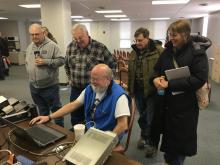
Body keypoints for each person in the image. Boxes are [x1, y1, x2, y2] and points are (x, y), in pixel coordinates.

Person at [152, 19, 211, 165]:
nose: (171, 39)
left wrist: (170, 84)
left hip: (185, 107)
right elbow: (156, 70)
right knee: (168, 141)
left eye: (174, 36)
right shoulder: (168, 51)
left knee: (180, 145)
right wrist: (154, 79)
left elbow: (199, 79)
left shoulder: (197, 53)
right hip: (167, 105)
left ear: (185, 35)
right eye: (170, 35)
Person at [30, 64, 130, 138]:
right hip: (90, 129)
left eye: (96, 79)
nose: (92, 82)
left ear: (108, 80)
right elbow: (73, 105)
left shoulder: (119, 96)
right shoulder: (91, 88)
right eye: (91, 79)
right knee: (63, 139)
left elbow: (123, 125)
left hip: (105, 134)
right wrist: (49, 117)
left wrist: (108, 141)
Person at [65, 23, 116, 127]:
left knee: (94, 117)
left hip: (94, 91)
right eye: (75, 38)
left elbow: (112, 66)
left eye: (80, 38)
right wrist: (70, 78)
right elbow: (66, 65)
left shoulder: (100, 47)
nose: (78, 41)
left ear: (87, 34)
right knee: (75, 117)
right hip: (76, 89)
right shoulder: (70, 47)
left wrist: (107, 82)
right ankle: (78, 138)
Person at [128, 27, 163, 157]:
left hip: (152, 91)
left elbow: (164, 69)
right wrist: (130, 90)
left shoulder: (158, 51)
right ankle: (144, 136)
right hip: (138, 90)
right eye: (136, 40)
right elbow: (131, 73)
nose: (138, 42)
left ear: (148, 38)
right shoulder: (133, 52)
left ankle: (152, 144)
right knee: (142, 116)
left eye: (140, 40)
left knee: (150, 118)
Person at [26, 23, 64, 127]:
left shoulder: (52, 45)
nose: (34, 37)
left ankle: (61, 131)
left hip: (49, 86)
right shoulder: (30, 46)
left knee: (56, 110)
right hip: (34, 87)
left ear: (43, 33)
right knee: (42, 111)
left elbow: (61, 60)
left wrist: (46, 61)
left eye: (37, 34)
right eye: (32, 34)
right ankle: (46, 131)